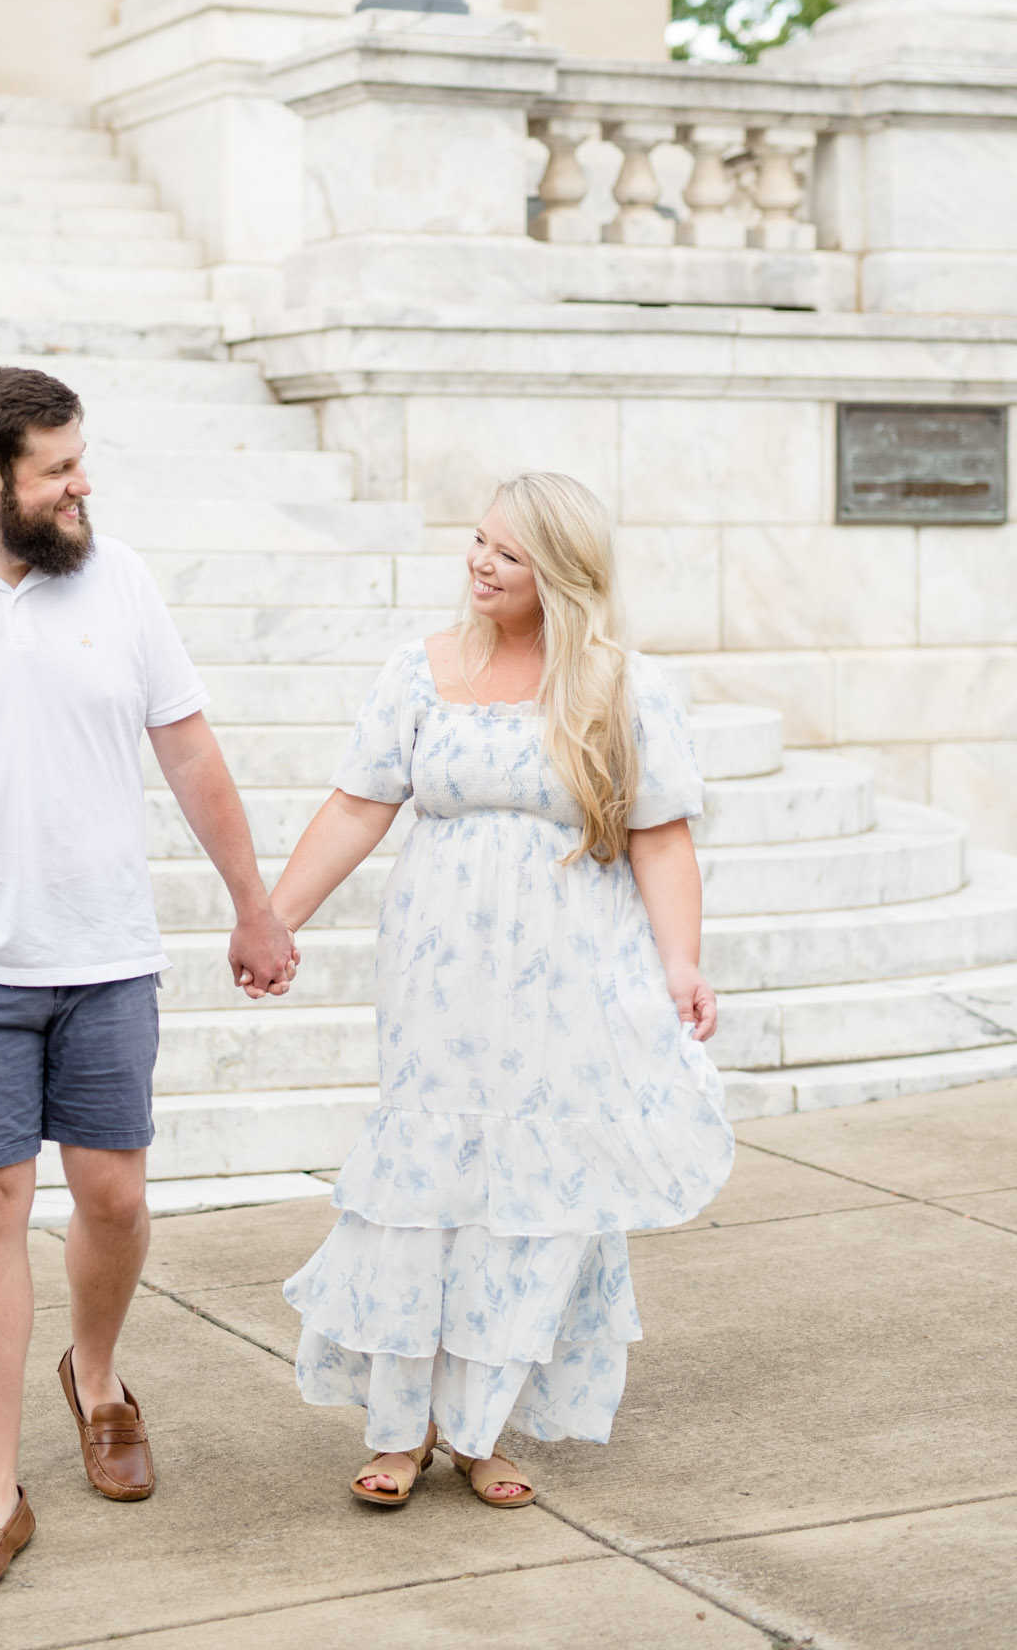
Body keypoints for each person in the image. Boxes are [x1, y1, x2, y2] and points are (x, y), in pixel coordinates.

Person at [0, 365, 295, 1598]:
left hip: (105, 953)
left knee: (115, 1197)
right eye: (58, 468)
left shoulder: (118, 578)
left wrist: (253, 901)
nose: (84, 484)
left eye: (81, 461)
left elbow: (187, 746)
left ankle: (94, 1371)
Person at [273, 471, 734, 1509]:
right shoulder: (416, 671)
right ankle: (405, 1424)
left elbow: (661, 840)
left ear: (561, 577)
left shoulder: (620, 687)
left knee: (533, 1195)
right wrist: (275, 917)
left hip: (570, 979)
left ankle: (485, 1427)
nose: (479, 562)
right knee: (429, 1182)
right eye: (477, 540)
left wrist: (680, 960)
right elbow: (354, 808)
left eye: (507, 553)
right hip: (436, 981)